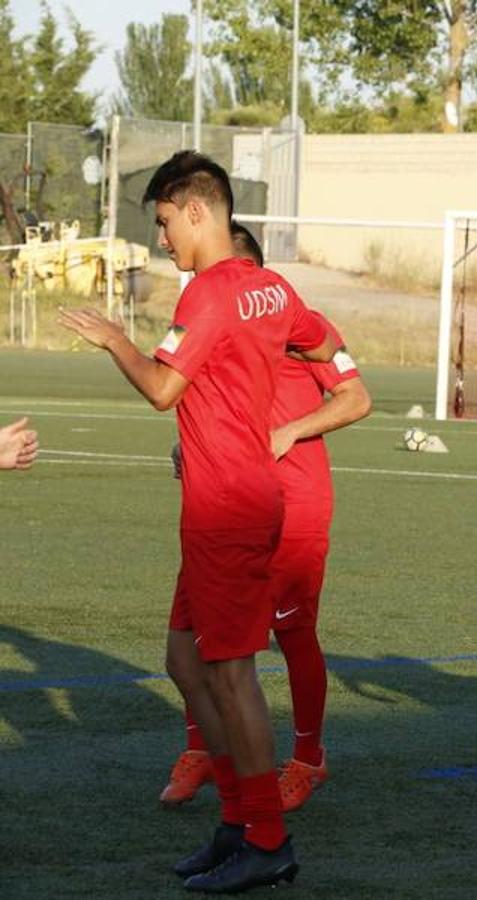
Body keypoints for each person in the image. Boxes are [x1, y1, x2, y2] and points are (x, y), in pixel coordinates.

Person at [58, 151, 335, 893]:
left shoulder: (209, 294)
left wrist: (115, 338)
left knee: (231, 671)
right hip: (235, 498)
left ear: (197, 210)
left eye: (163, 224)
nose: (161, 242)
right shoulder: (269, 288)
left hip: (229, 508)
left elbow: (162, 388)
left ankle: (266, 839)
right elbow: (323, 343)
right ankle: (237, 822)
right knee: (186, 661)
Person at [160, 222, 371, 814]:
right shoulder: (213, 320)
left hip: (294, 502)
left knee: (291, 631)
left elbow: (357, 398)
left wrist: (288, 431)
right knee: (195, 636)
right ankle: (202, 749)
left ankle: (307, 760)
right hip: (224, 504)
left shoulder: (295, 318)